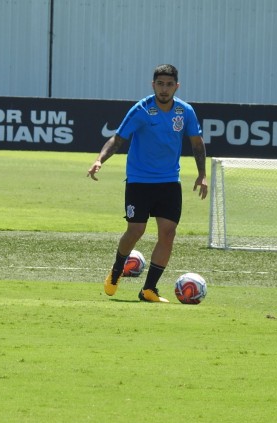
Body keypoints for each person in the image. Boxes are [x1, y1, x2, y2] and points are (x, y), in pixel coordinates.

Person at [87, 64, 208, 303]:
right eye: (160, 84)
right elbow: (118, 138)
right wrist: (100, 160)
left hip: (169, 182)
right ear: (153, 85)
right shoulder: (141, 109)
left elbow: (196, 143)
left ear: (177, 86)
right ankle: (116, 269)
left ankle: (149, 289)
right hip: (139, 181)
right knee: (136, 230)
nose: (164, 89)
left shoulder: (185, 112)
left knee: (168, 233)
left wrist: (201, 174)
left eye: (169, 84)